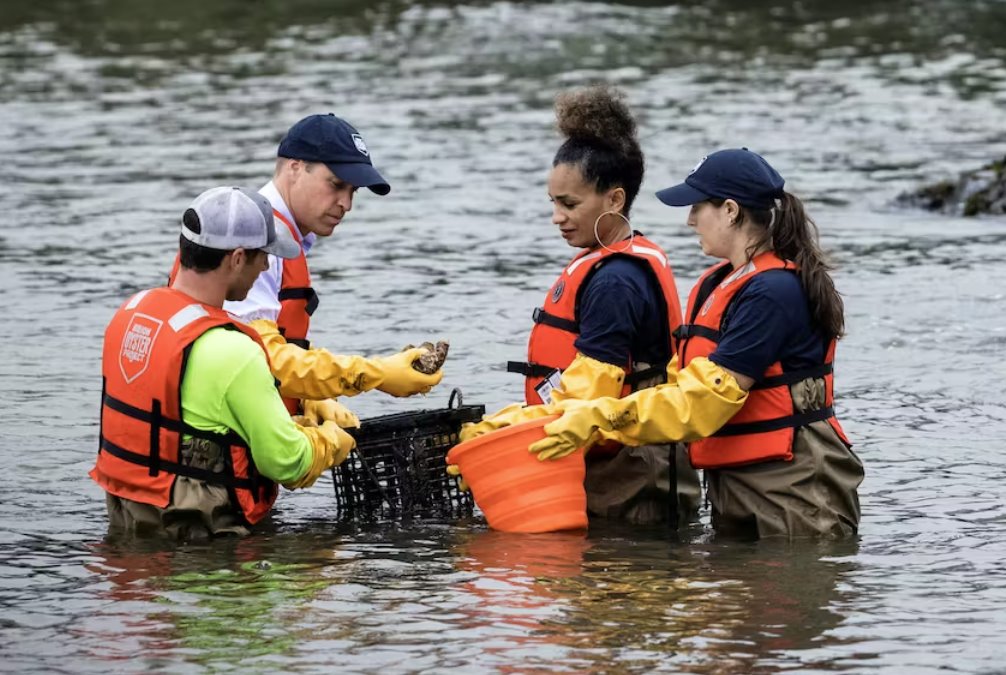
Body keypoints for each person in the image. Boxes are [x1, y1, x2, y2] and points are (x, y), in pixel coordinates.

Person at [528, 149, 865, 539]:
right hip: (737, 483)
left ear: (730, 211)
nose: (689, 221)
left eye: (697, 207)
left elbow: (705, 400)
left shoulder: (773, 292)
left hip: (796, 487)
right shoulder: (716, 283)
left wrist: (599, 418)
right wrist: (540, 420)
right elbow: (678, 385)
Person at [451, 85, 700, 525]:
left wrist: (505, 431)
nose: (557, 217)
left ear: (615, 199)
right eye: (554, 203)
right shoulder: (613, 262)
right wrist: (511, 421)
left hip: (631, 477)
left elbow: (590, 394)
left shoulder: (616, 281)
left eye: (570, 204)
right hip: (612, 462)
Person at [92, 187, 358, 540]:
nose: (266, 266)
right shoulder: (234, 350)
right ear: (237, 259)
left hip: (130, 524)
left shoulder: (131, 315)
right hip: (203, 544)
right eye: (263, 256)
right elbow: (288, 463)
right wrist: (332, 439)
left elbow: (188, 421)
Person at [170, 113, 444, 418]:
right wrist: (374, 374)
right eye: (336, 185)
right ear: (295, 168)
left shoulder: (275, 231)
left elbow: (266, 343)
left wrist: (312, 397)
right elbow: (256, 356)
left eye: (353, 191)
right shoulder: (256, 243)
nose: (346, 204)